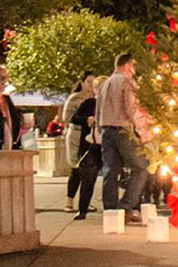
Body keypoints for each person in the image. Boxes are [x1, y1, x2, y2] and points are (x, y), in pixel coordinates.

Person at [98, 53, 154, 223]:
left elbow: (98, 109)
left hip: (106, 130)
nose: (134, 71)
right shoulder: (126, 82)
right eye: (133, 67)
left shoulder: (105, 83)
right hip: (123, 131)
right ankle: (125, 206)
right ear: (128, 65)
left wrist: (98, 130)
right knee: (142, 167)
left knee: (110, 170)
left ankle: (110, 211)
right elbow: (132, 108)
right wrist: (143, 131)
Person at [62, 73, 100, 218]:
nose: (91, 85)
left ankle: (84, 201)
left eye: (93, 82)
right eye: (89, 82)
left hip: (90, 138)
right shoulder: (75, 98)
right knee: (76, 169)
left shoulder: (95, 99)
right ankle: (69, 201)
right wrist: (86, 120)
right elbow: (68, 118)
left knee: (86, 171)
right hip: (76, 137)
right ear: (82, 83)